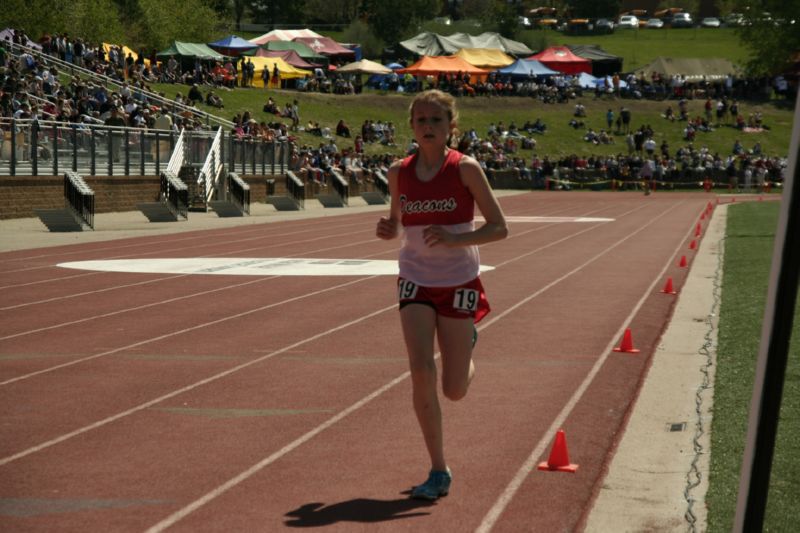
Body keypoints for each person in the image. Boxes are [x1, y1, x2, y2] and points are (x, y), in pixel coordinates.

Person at [375, 90, 508, 501]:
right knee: (419, 370)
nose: (427, 127)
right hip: (414, 279)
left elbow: (499, 227)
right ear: (411, 126)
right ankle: (438, 468)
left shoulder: (465, 169)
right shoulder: (399, 172)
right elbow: (398, 221)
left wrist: (454, 238)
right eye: (420, 120)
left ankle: (466, 345)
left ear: (452, 125)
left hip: (459, 281)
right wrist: (389, 229)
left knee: (454, 388)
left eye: (436, 120)